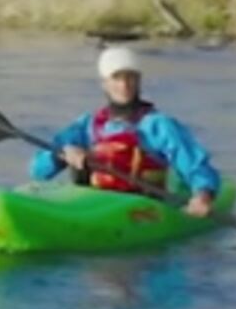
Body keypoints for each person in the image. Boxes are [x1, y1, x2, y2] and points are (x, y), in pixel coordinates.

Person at [36, 44, 223, 218]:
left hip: (144, 210)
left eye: (130, 77)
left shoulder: (158, 125)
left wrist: (203, 195)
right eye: (117, 78)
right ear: (104, 83)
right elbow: (38, 170)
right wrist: (60, 155)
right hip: (93, 206)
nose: (124, 85)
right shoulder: (87, 126)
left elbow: (195, 165)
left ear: (139, 81)